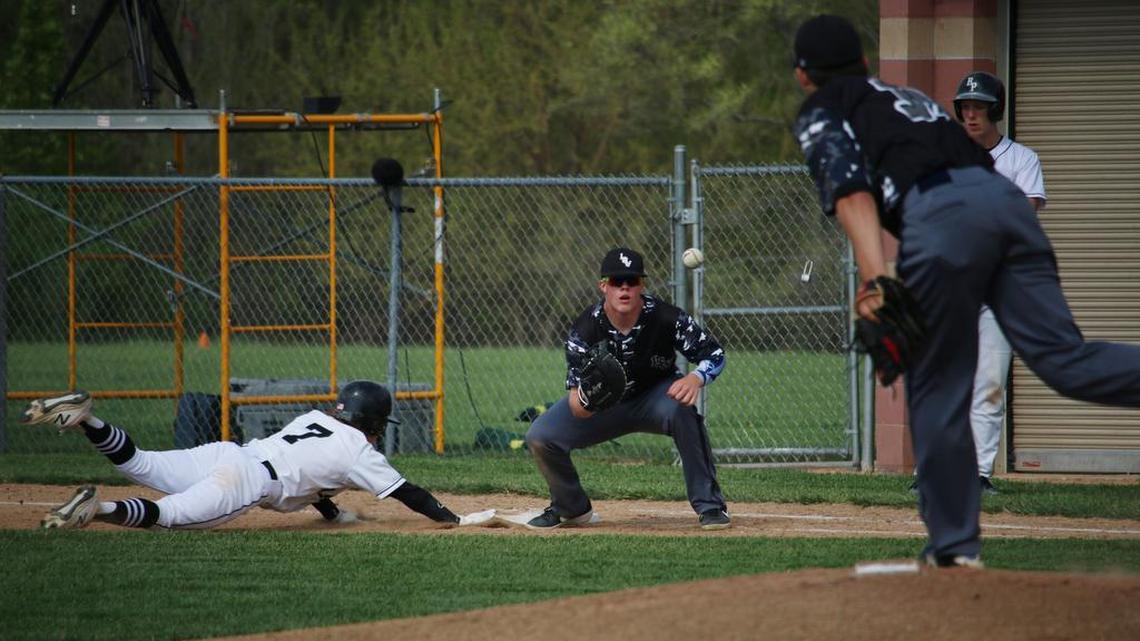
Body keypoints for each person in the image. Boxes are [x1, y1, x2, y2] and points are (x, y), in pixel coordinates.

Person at [790, 14, 1140, 567]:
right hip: (1004, 203)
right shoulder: (906, 97)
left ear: (803, 76)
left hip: (940, 214)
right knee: (1065, 359)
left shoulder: (823, 106)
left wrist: (878, 278)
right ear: (862, 62)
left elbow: (853, 192)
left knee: (937, 386)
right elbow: (969, 173)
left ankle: (953, 551)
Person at [23, 382, 494, 530]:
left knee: (141, 463)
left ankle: (86, 420)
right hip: (246, 482)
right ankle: (96, 509)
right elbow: (407, 493)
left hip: (227, 453)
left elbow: (314, 477)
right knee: (169, 517)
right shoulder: (359, 452)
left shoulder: (314, 419)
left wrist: (331, 513)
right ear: (372, 422)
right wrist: (453, 518)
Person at [524, 247, 729, 530]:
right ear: (603, 286)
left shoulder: (666, 318)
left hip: (656, 399)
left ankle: (711, 507)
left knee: (684, 411)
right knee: (540, 435)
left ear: (641, 286)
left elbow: (715, 354)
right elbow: (575, 404)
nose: (624, 288)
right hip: (605, 407)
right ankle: (571, 508)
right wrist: (587, 401)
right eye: (617, 281)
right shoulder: (585, 329)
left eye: (631, 281)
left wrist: (696, 378)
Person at [954, 70, 1047, 495]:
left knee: (989, 382)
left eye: (980, 107)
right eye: (965, 107)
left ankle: (978, 472)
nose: (971, 115)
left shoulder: (1021, 160)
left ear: (997, 110)